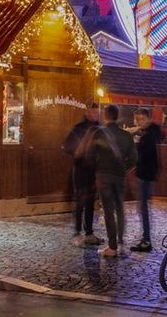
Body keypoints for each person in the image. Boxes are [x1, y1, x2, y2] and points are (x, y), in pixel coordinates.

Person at [85, 104, 136, 259]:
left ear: (105, 116)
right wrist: (123, 169)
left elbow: (89, 156)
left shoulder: (99, 133)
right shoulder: (126, 136)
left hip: (104, 177)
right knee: (119, 208)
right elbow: (134, 159)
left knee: (108, 211)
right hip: (120, 177)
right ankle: (120, 240)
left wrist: (98, 169)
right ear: (117, 117)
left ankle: (112, 247)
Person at [63, 105, 101, 246]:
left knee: (90, 202)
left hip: (93, 170)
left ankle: (89, 232)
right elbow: (68, 147)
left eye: (96, 112)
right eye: (92, 112)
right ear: (87, 112)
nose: (94, 114)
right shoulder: (78, 129)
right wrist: (78, 152)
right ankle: (77, 232)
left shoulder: (100, 129)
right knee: (80, 201)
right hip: (80, 169)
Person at [131, 107, 163, 253]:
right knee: (143, 209)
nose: (139, 122)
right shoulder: (150, 133)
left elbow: (143, 156)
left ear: (149, 119)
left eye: (142, 119)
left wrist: (137, 145)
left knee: (143, 209)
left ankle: (146, 240)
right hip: (146, 175)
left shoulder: (149, 136)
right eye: (137, 119)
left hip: (145, 176)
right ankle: (146, 238)